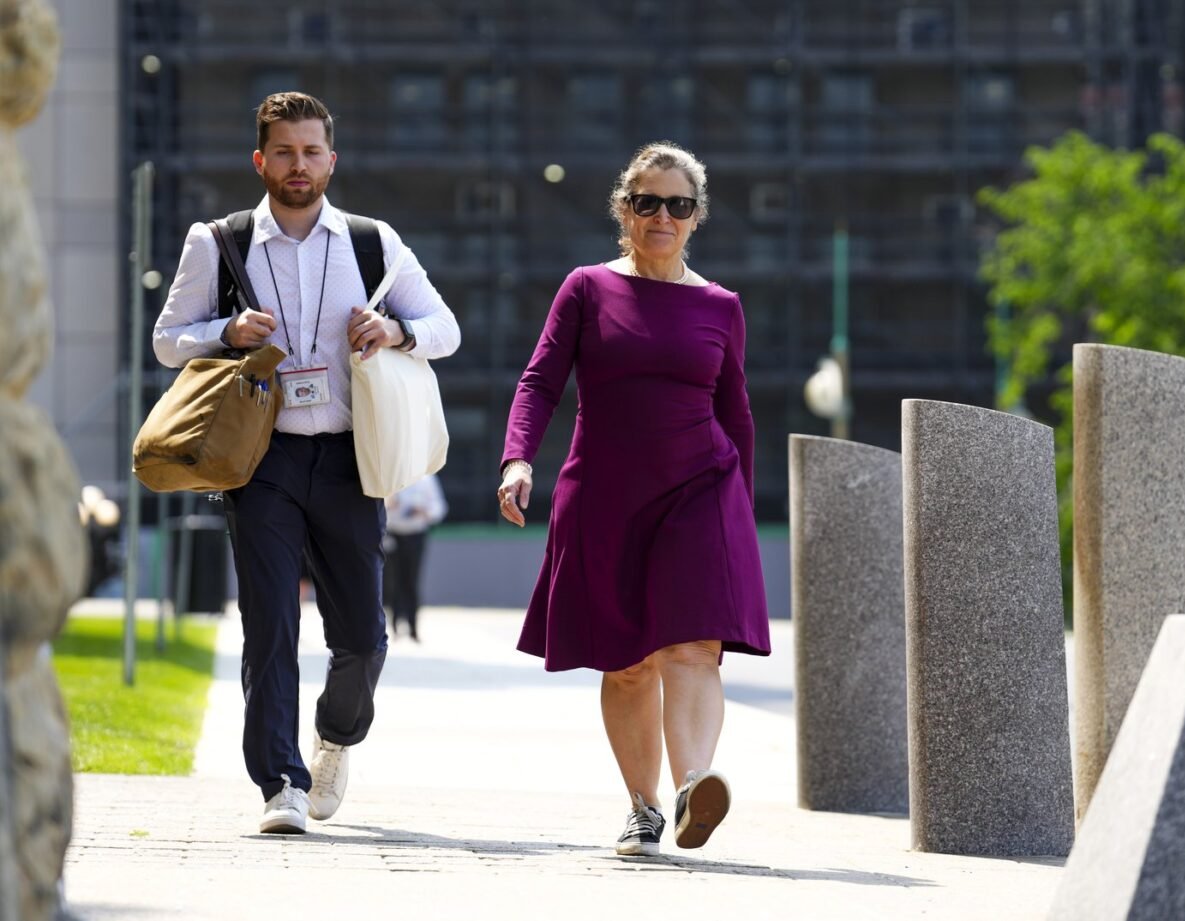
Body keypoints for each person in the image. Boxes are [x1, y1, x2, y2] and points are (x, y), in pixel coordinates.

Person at [153, 92, 460, 834]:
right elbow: (169, 340)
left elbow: (444, 327)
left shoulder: (370, 241)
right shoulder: (219, 240)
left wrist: (392, 328)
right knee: (270, 624)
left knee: (363, 636)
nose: (299, 165)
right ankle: (280, 783)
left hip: (349, 460)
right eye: (284, 152)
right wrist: (225, 329)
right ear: (261, 160)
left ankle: (335, 735)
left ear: (332, 158)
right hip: (259, 458)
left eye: (311, 151)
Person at [496, 142, 771, 856]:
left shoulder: (721, 306)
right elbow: (540, 381)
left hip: (701, 488)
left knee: (692, 647)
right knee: (626, 663)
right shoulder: (587, 288)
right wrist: (518, 457)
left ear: (696, 217)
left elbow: (736, 411)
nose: (662, 216)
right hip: (606, 492)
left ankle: (693, 786)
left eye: (678, 205)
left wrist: (739, 507)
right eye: (648, 201)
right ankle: (644, 805)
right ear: (624, 208)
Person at [383, 474, 447, 641]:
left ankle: (413, 628)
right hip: (393, 533)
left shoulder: (426, 479)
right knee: (392, 580)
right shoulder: (391, 474)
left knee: (412, 580)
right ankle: (395, 626)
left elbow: (439, 508)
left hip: (416, 534)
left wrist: (424, 511)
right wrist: (388, 504)